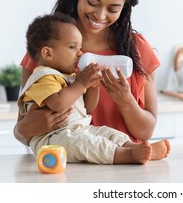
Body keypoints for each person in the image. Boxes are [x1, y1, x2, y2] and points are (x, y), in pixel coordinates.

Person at [14, 0, 170, 160]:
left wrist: (125, 100)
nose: (100, 15)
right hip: (68, 167)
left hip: (129, 170)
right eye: (92, 2)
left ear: (124, 9)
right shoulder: (47, 50)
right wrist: (24, 129)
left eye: (113, 9)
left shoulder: (137, 48)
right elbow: (22, 130)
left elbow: (145, 132)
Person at [19, 13, 152, 164]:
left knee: (104, 132)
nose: (80, 53)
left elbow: (88, 107)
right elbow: (57, 104)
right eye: (72, 47)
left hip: (78, 129)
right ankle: (128, 156)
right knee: (85, 143)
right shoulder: (43, 76)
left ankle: (135, 148)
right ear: (48, 53)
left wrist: (92, 87)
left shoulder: (69, 77)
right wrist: (81, 83)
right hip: (53, 139)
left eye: (80, 47)